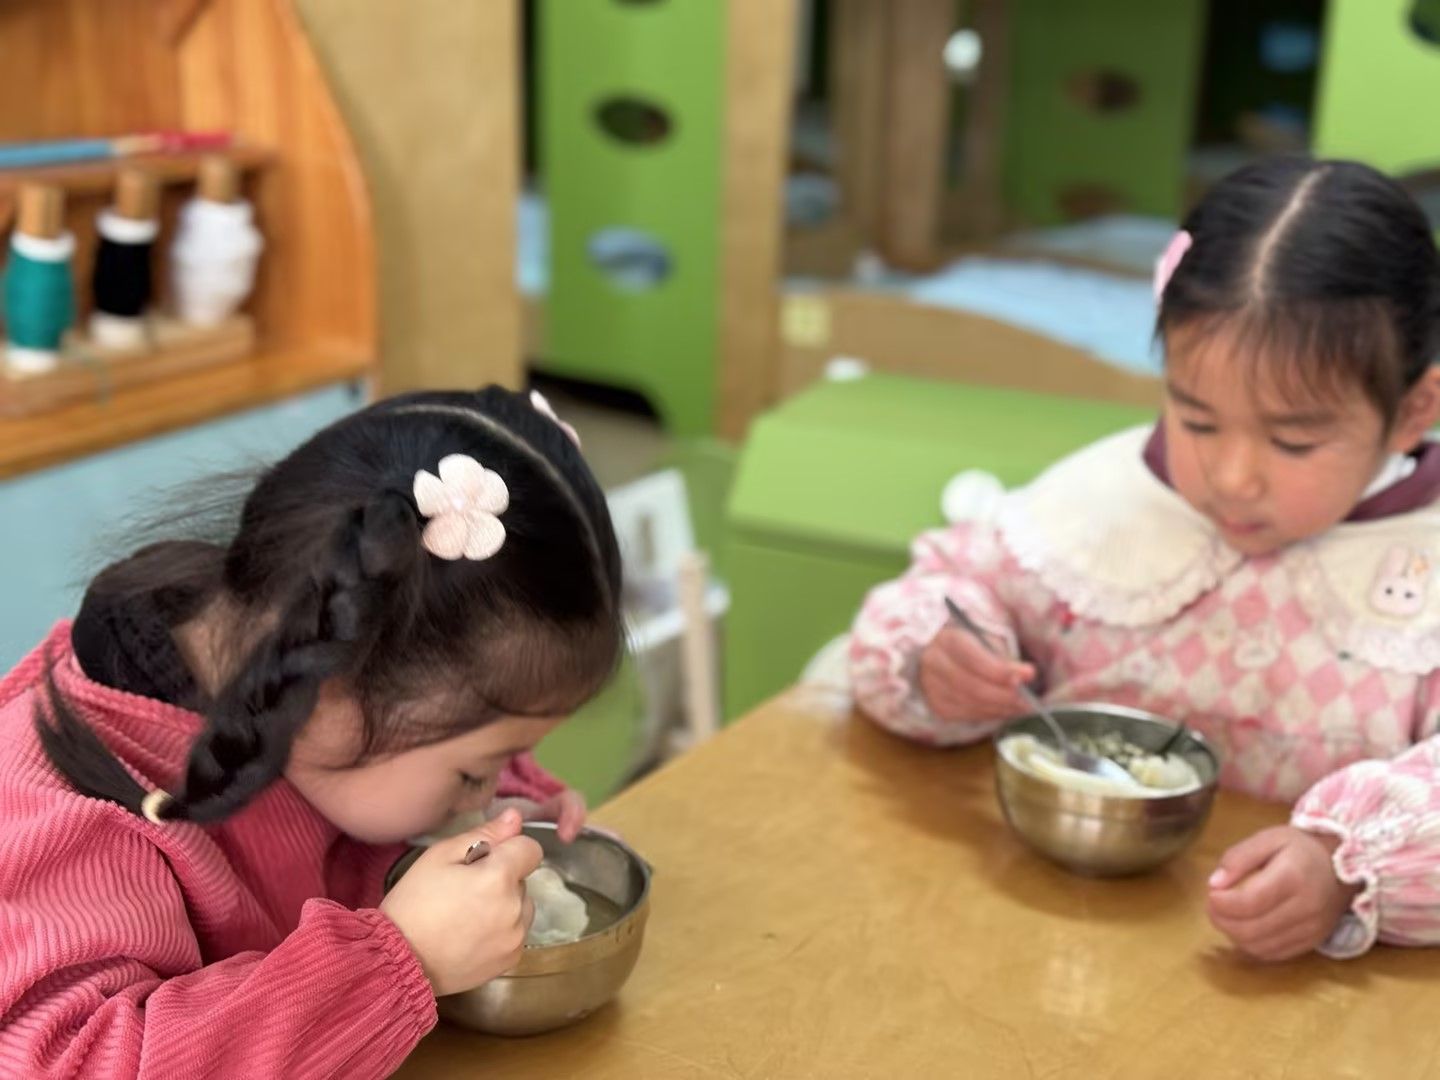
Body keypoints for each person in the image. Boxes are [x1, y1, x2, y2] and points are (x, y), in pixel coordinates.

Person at [850, 157, 1440, 962]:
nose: (1231, 477)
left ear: (1412, 410)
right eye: (1197, 422)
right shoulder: (1102, 501)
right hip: (1033, 926)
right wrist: (937, 657)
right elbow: (946, 583)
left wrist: (1348, 866)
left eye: (1293, 441)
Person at [0, 386, 622, 1076]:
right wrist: (402, 960)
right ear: (327, 682)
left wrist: (501, 808)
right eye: (475, 771)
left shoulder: (299, 685)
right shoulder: (80, 820)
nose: (483, 792)